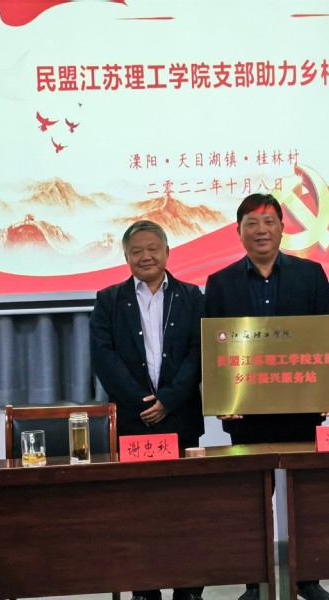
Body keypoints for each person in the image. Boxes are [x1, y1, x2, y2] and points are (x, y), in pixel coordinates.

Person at [204, 192, 329, 600]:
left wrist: (327, 392)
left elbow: (326, 335)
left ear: (282, 227)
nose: (261, 230)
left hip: (302, 407)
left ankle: (307, 578)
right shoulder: (220, 282)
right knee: (254, 501)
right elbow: (213, 348)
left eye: (269, 222)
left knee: (303, 497)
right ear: (238, 231)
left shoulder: (311, 275)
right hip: (247, 414)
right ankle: (255, 583)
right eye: (252, 223)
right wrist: (222, 400)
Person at [90, 220, 205, 600]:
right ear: (125, 257)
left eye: (153, 248)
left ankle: (188, 589)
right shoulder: (109, 299)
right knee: (138, 512)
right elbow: (103, 357)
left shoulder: (191, 296)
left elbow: (198, 353)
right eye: (136, 251)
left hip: (181, 419)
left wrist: (168, 400)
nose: (145, 256)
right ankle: (144, 588)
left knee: (184, 512)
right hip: (133, 422)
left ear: (167, 252)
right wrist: (141, 402)